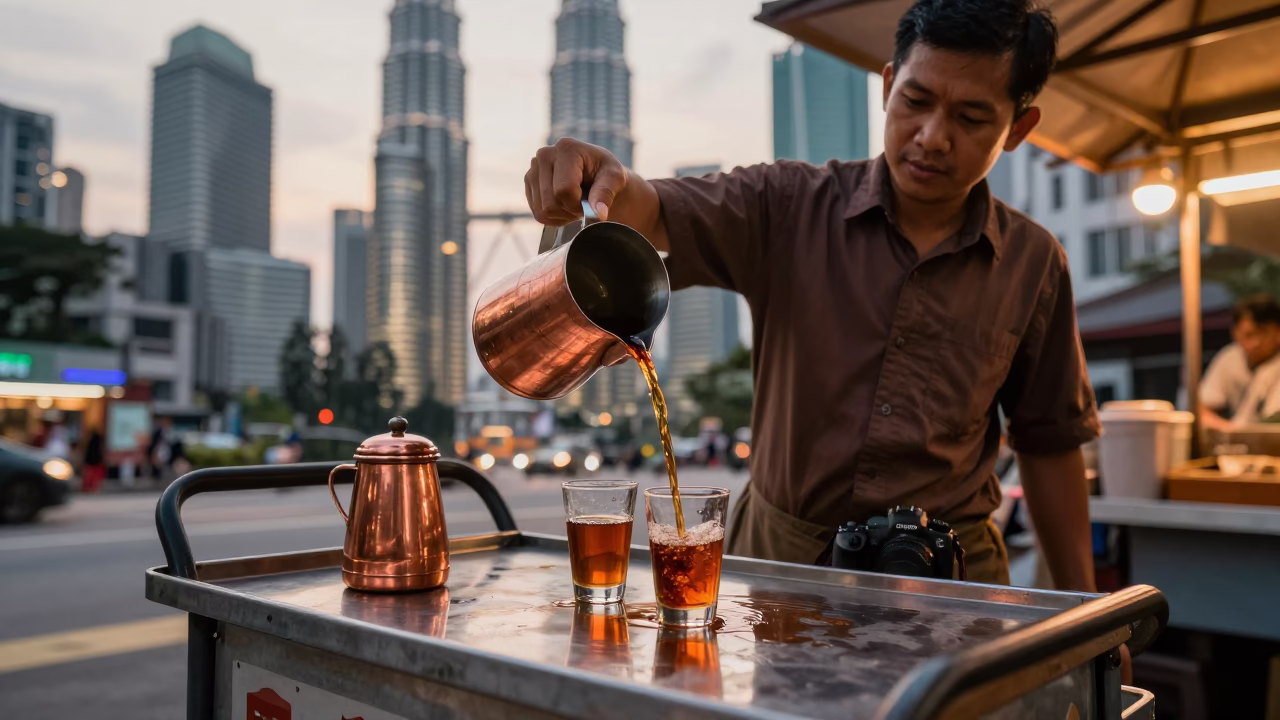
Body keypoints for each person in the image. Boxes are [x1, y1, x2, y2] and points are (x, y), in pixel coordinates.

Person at [525, 0, 1099, 595]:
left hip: (952, 580)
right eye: (916, 101)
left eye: (973, 117)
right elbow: (657, 207)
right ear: (886, 87)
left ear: (1019, 129)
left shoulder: (1034, 262)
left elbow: (1052, 445)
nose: (933, 137)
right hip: (785, 574)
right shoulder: (789, 205)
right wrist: (601, 174)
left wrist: (1090, 615)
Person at [1200, 294, 1280, 429]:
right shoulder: (1229, 357)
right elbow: (1202, 407)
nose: (1256, 342)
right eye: (1249, 334)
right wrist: (1227, 430)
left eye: (1264, 333)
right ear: (1235, 333)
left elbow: (1273, 420)